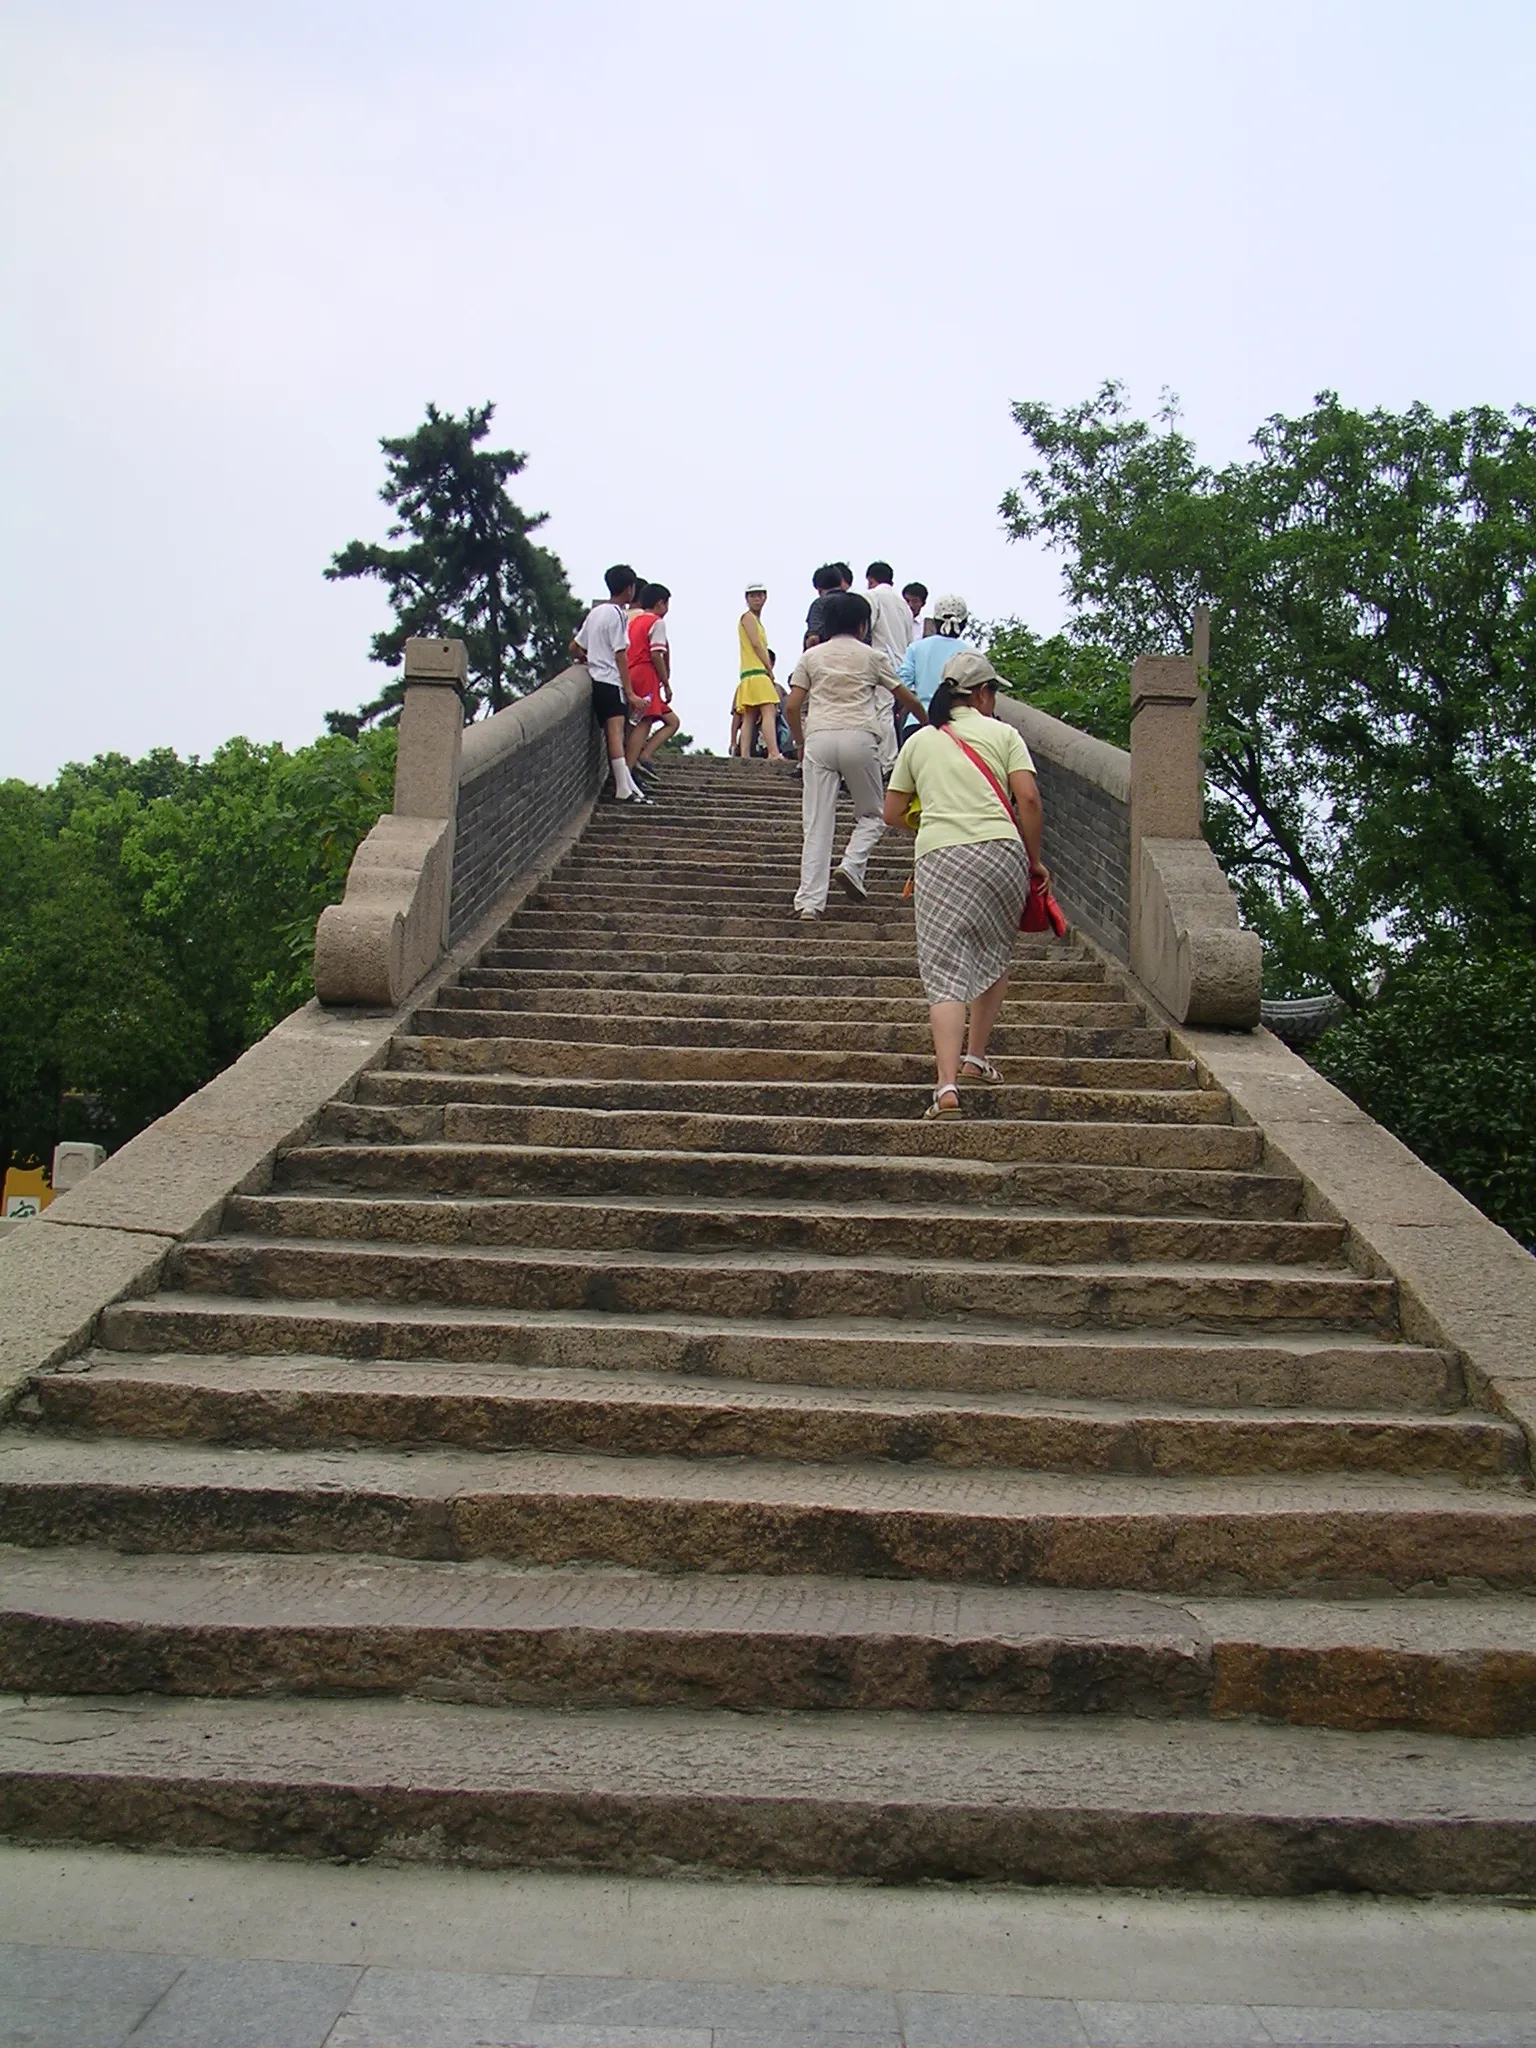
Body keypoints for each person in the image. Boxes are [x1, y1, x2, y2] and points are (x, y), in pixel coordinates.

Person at [883, 650, 1048, 1119]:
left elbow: (892, 812)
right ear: (980, 694)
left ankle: (947, 1086)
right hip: (1001, 853)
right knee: (993, 951)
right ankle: (976, 1058)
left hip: (940, 855)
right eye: (993, 692)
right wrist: (1032, 862)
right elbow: (1029, 799)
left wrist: (935, 820)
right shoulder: (1004, 734)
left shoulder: (920, 741)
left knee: (945, 970)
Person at [784, 590, 925, 917]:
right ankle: (852, 863)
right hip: (860, 737)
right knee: (874, 814)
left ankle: (809, 903)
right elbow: (906, 698)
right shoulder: (873, 657)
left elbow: (792, 706)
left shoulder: (811, 657)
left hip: (818, 739)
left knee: (817, 824)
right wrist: (931, 723)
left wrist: (800, 741)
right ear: (864, 626)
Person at [574, 564, 647, 803]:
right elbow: (620, 654)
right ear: (629, 589)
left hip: (596, 679)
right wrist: (630, 693)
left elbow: (575, 647)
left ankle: (629, 787)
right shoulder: (617, 614)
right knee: (616, 734)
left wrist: (591, 657)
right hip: (610, 681)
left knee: (612, 733)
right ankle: (623, 788)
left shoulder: (595, 613)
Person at [625, 583, 680, 778]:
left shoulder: (635, 622)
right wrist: (666, 683)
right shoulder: (656, 622)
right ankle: (628, 770)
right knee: (644, 722)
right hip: (646, 673)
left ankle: (642, 757)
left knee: (670, 721)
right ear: (660, 603)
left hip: (632, 672)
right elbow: (656, 654)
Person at [865, 561, 914, 771]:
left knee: (881, 711)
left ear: (871, 580)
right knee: (893, 713)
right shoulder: (904, 605)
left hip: (881, 658)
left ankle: (887, 762)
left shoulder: (873, 596)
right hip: (901, 662)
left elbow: (867, 628)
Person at [898, 591, 976, 714]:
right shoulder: (972, 654)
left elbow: (903, 683)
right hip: (957, 722)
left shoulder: (915, 647)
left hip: (919, 720)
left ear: (935, 621)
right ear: (964, 623)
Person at [734, 581, 782, 761]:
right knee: (768, 710)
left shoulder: (755, 620)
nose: (757, 599)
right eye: (753, 596)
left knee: (750, 714)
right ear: (746, 599)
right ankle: (773, 752)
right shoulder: (748, 618)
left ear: (765, 597)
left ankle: (745, 755)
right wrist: (769, 668)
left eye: (760, 595)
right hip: (756, 670)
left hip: (749, 672)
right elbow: (756, 644)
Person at [804, 562, 853, 647]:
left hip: (828, 655)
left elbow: (814, 638)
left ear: (819, 589)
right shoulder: (858, 602)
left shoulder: (819, 604)